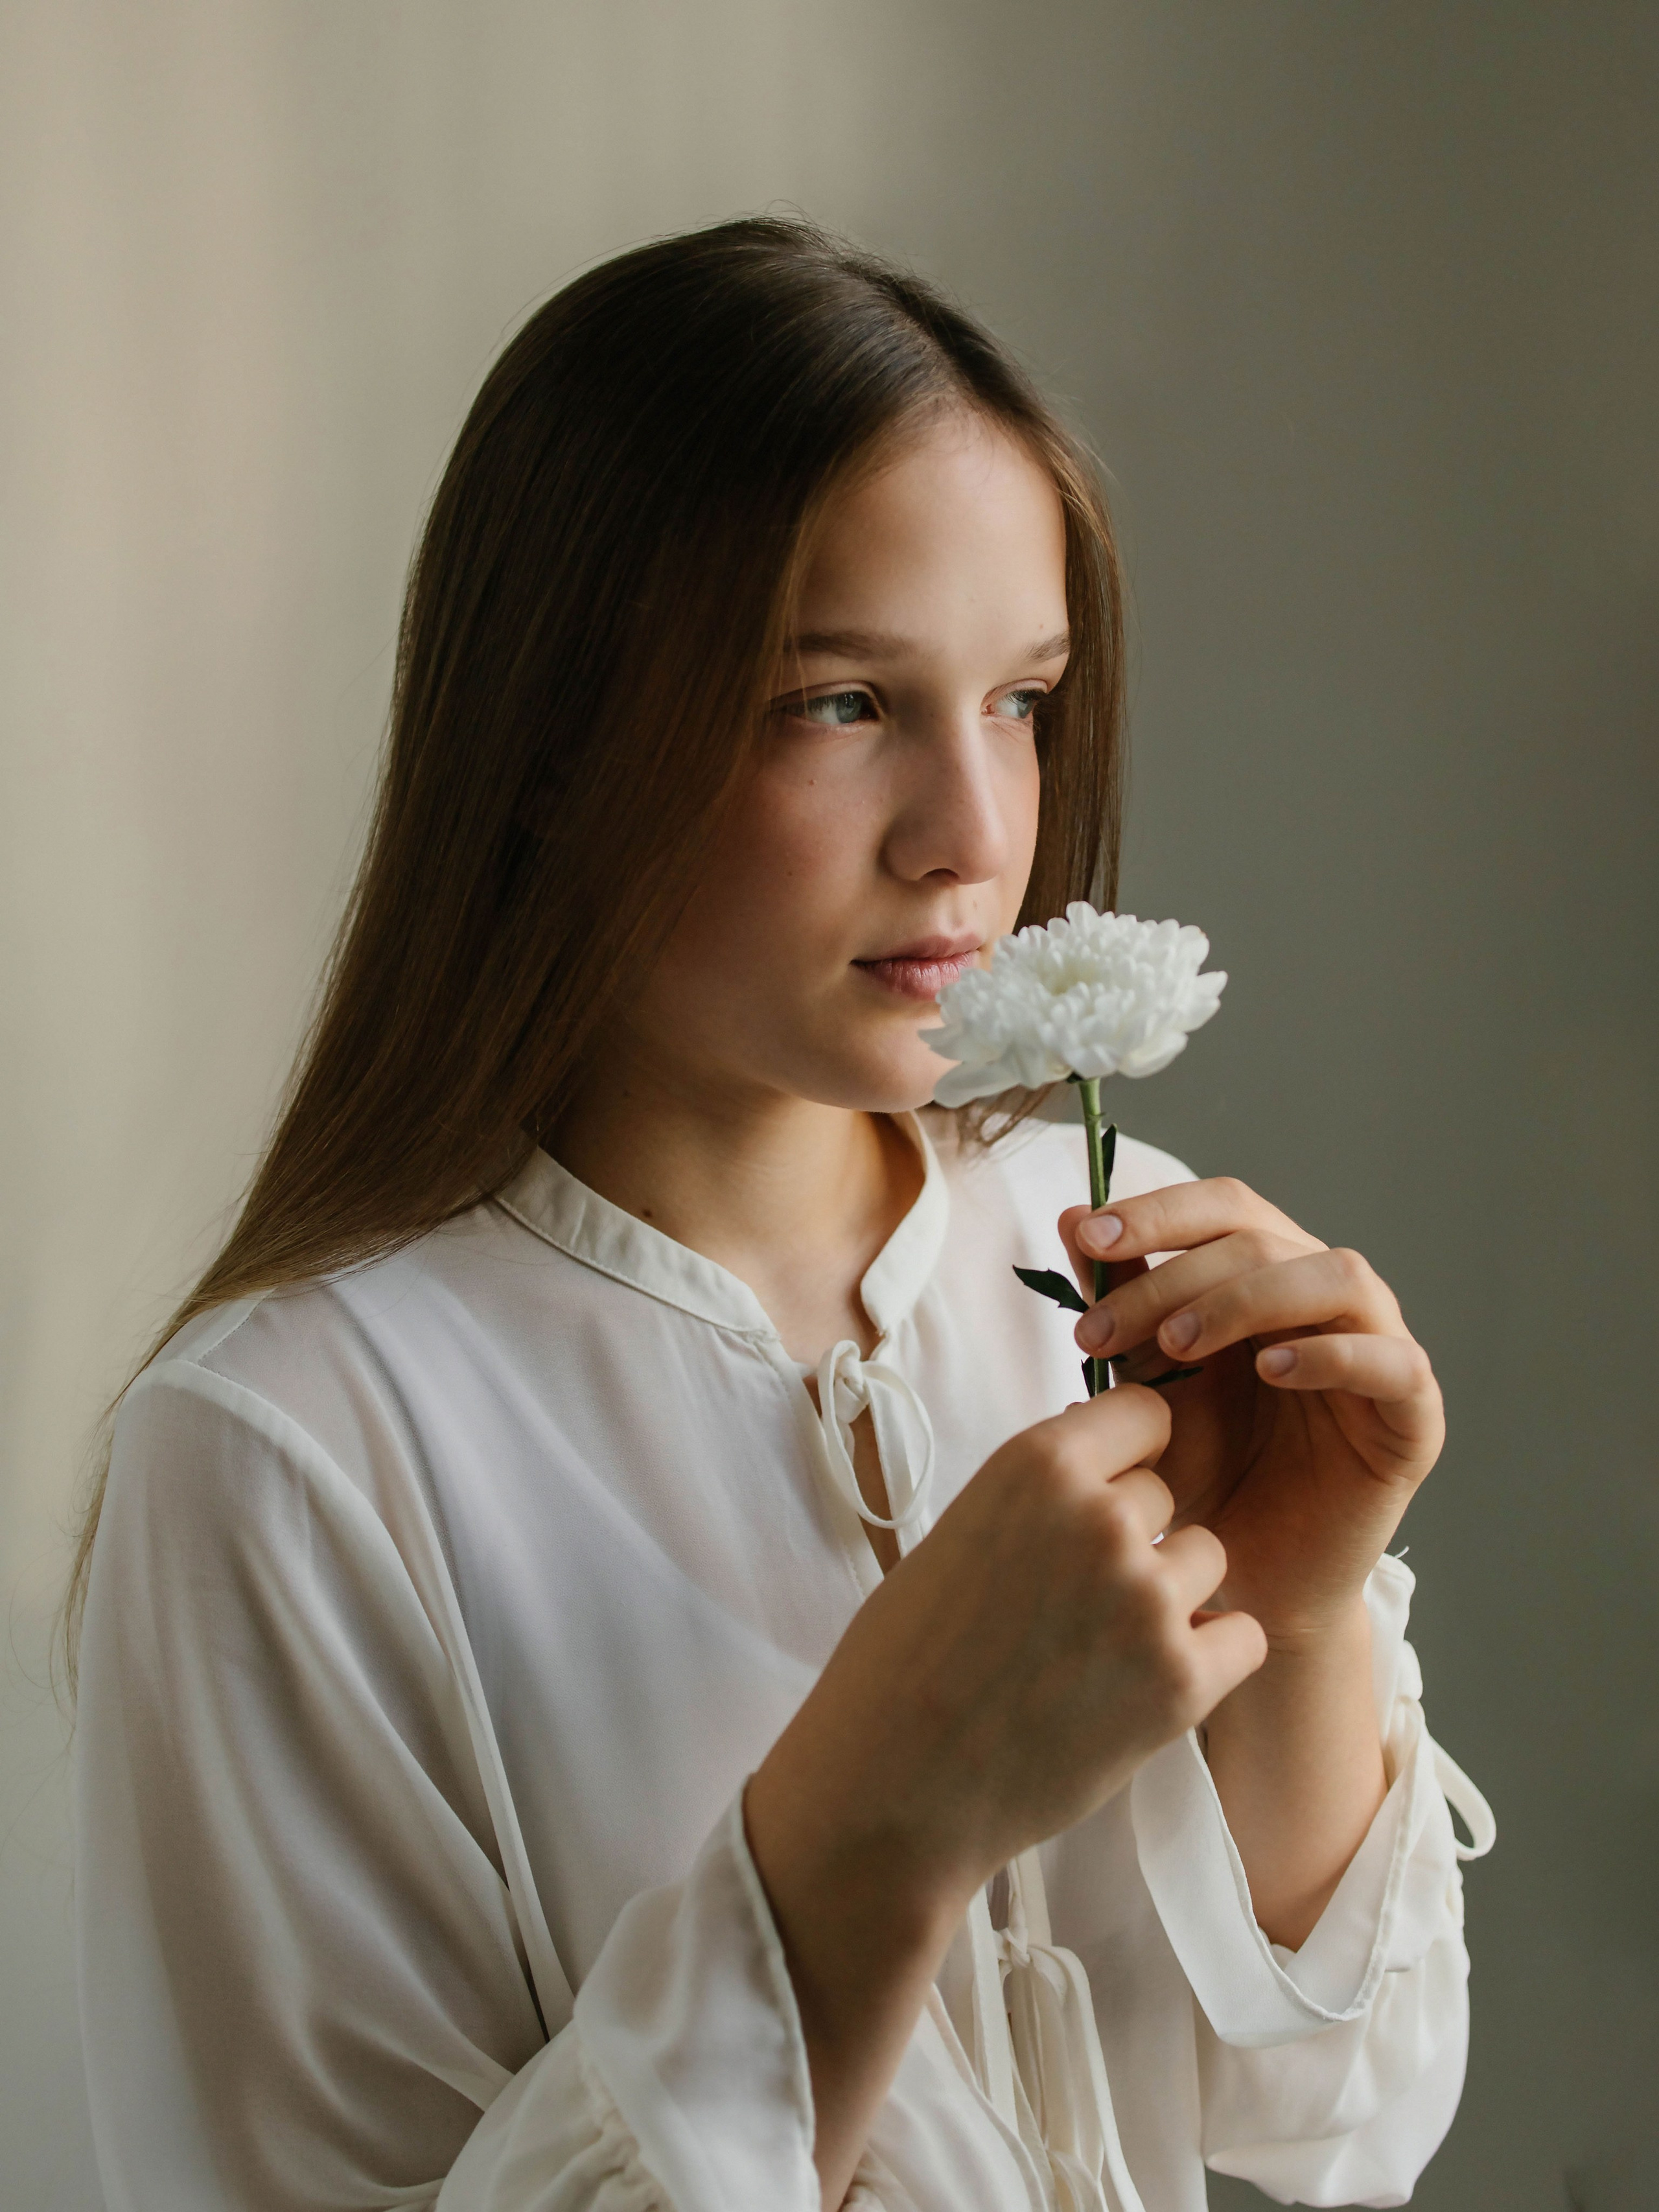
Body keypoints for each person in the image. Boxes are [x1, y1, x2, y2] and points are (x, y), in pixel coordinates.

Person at [68, 217, 1492, 2212]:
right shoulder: (290, 1459)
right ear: (557, 737)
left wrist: (1308, 1615)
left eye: (1021, 698)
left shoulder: (1134, 1257)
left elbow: (1338, 2137)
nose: (978, 835)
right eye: (840, 704)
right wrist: (876, 1820)